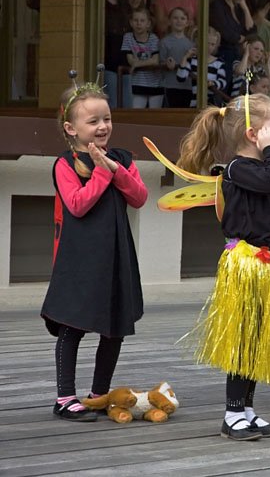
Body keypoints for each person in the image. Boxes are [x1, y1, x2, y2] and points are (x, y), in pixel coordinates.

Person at [175, 94, 270, 440]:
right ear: (252, 134)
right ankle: (232, 415)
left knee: (259, 340)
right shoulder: (238, 169)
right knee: (244, 339)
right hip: (247, 264)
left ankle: (247, 410)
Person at [42, 78, 147, 421]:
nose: (103, 126)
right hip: (80, 260)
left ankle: (99, 394)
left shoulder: (121, 158)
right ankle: (64, 397)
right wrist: (102, 175)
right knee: (72, 326)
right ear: (71, 128)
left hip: (115, 257)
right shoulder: (65, 165)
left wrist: (115, 170)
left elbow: (139, 197)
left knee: (114, 327)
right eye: (93, 121)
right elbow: (77, 205)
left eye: (107, 119)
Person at [209, 0, 255, 95]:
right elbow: (226, 33)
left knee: (238, 92)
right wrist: (241, 38)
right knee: (225, 92)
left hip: (239, 55)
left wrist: (245, 7)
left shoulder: (238, 7)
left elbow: (251, 31)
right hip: (224, 55)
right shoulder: (216, 5)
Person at [122, 8, 162, 108]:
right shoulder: (128, 37)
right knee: (137, 114)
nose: (139, 23)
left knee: (155, 117)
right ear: (131, 22)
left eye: (142, 21)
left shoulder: (153, 38)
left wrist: (137, 64)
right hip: (137, 83)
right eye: (136, 20)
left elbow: (155, 60)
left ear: (148, 23)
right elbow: (130, 60)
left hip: (155, 83)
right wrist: (140, 63)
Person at [176, 27, 227, 107]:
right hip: (195, 103)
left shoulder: (219, 63)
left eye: (212, 44)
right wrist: (185, 58)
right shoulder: (192, 61)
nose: (209, 47)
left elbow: (223, 82)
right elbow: (181, 77)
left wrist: (213, 83)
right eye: (207, 43)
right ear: (199, 42)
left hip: (212, 104)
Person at [103, 0, 129, 108]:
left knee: (127, 103)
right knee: (111, 101)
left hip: (124, 57)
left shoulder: (123, 5)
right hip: (107, 56)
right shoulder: (99, 2)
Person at [159, 7, 194, 108]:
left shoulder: (191, 44)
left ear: (187, 22)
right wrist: (166, 63)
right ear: (169, 21)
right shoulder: (164, 42)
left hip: (187, 86)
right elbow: (160, 63)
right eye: (175, 18)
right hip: (170, 85)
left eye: (182, 18)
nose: (179, 21)